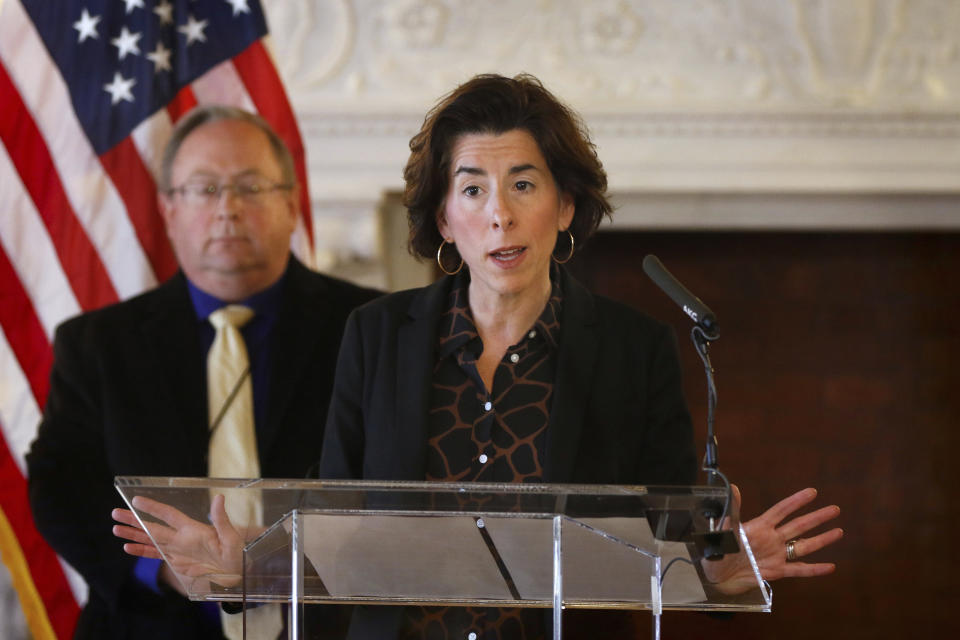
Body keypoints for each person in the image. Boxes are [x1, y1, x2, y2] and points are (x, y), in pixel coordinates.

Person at [113, 76, 842, 639]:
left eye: (524, 184)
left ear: (564, 208)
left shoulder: (635, 350)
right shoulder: (375, 334)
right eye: (473, 188)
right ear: (445, 220)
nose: (500, 212)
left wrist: (721, 579)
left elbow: (668, 553)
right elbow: (338, 522)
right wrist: (251, 566)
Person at [27, 105, 379, 640]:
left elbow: (398, 485)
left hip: (330, 620)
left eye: (250, 186)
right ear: (169, 211)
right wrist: (169, 570)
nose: (228, 209)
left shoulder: (372, 330)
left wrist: (293, 567)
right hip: (150, 625)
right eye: (204, 189)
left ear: (290, 203)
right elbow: (62, 488)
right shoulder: (98, 344)